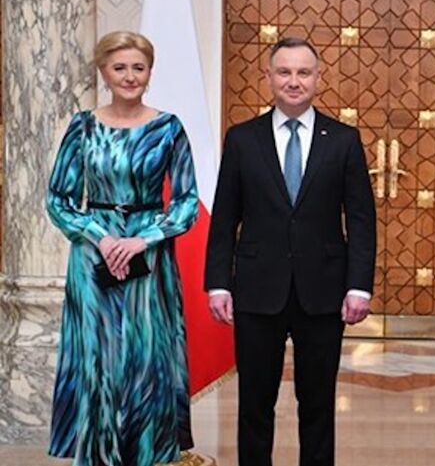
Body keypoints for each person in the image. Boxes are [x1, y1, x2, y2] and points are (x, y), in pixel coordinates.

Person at [205, 37, 376, 466]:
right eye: (284, 72)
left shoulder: (343, 139)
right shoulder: (243, 139)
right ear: (268, 78)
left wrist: (359, 286)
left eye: (303, 72)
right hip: (257, 290)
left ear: (318, 79)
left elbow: (360, 219)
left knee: (317, 405)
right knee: (254, 405)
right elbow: (225, 218)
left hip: (323, 291)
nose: (294, 81)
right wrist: (217, 284)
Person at [45, 31, 199, 466]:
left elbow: (187, 202)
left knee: (147, 358)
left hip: (148, 257)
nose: (130, 76)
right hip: (94, 256)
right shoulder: (83, 127)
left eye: (138, 67)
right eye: (120, 67)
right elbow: (58, 200)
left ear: (150, 72)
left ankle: (149, 455)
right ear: (104, 72)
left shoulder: (169, 128)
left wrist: (141, 239)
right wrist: (103, 236)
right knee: (99, 358)